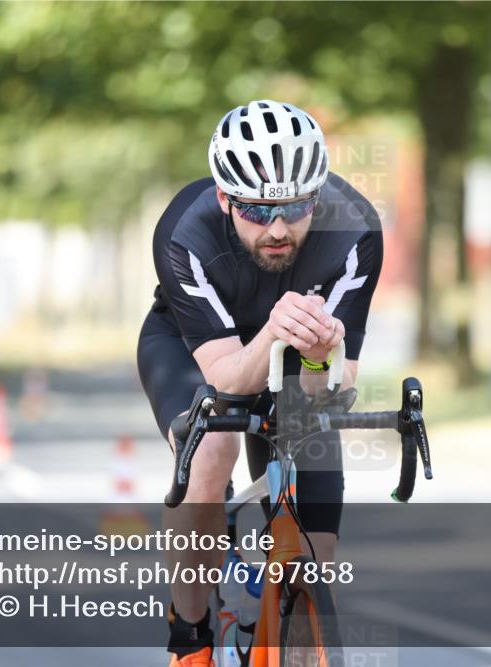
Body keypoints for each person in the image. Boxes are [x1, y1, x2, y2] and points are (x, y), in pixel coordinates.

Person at [137, 99, 383, 667]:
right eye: (254, 209)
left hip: (298, 348)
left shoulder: (355, 229)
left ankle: (283, 618)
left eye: (295, 207)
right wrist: (273, 331)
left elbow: (337, 384)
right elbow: (226, 377)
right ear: (224, 198)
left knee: (314, 548)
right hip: (192, 347)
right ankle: (190, 630)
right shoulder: (184, 231)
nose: (277, 228)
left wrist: (321, 361)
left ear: (316, 196)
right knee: (212, 443)